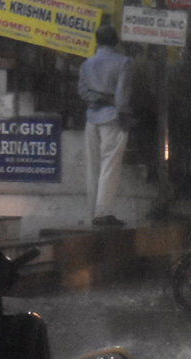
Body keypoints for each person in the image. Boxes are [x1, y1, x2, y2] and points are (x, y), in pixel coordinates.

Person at [78, 24, 133, 228]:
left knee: (93, 167)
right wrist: (124, 114)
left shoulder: (87, 64)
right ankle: (103, 212)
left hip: (92, 117)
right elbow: (122, 97)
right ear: (116, 42)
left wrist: (97, 97)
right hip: (113, 117)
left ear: (97, 41)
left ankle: (93, 212)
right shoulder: (123, 62)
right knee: (110, 164)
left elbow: (82, 91)